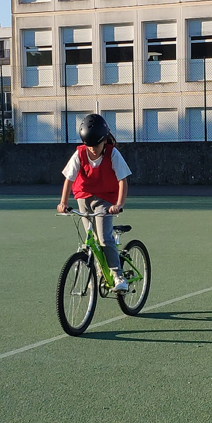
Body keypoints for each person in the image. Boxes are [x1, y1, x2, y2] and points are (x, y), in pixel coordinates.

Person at [57, 114, 132, 291]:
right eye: (88, 145)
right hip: (83, 197)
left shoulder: (113, 153)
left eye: (96, 145)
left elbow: (123, 180)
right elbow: (69, 179)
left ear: (104, 141)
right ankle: (98, 270)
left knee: (104, 239)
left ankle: (118, 275)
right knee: (90, 239)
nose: (92, 150)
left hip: (105, 199)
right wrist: (63, 202)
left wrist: (119, 204)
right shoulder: (80, 153)